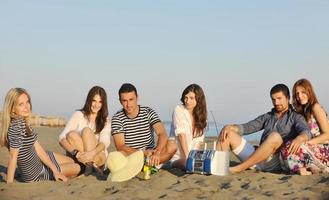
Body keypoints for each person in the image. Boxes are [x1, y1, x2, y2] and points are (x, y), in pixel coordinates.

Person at [217, 83, 312, 174]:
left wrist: (300, 138)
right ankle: (217, 166)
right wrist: (232, 127)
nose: (276, 102)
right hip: (255, 157)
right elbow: (248, 127)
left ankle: (240, 168)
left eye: (279, 98)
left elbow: (306, 131)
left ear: (287, 98)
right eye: (273, 99)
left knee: (275, 136)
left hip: (274, 161)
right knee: (227, 132)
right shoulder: (268, 116)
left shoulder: (295, 117)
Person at [0, 88, 80, 183]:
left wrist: (54, 169)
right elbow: (13, 157)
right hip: (37, 174)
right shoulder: (17, 127)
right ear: (12, 108)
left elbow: (38, 148)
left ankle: (58, 172)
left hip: (39, 160)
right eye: (21, 104)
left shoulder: (23, 122)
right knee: (77, 167)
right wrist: (9, 184)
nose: (26, 107)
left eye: (27, 102)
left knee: (70, 161)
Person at [111, 83, 177, 168]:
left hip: (151, 154)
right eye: (124, 101)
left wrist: (157, 152)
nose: (128, 104)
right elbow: (120, 146)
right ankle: (150, 165)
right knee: (118, 155)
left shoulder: (148, 112)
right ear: (120, 101)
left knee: (172, 145)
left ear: (137, 98)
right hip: (131, 156)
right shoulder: (117, 118)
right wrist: (142, 153)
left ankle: (151, 163)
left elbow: (162, 133)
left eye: (131, 99)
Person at [58, 86, 111, 176]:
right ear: (89, 100)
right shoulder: (79, 115)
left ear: (103, 103)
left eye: (100, 102)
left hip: (98, 157)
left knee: (86, 131)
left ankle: (90, 166)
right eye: (94, 101)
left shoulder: (105, 120)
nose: (96, 105)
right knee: (71, 135)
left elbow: (104, 142)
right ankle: (90, 165)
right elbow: (61, 138)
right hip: (79, 158)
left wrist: (90, 154)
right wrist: (76, 153)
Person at [280, 79, 329, 175]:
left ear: (309, 91)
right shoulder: (301, 111)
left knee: (298, 146)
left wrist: (307, 143)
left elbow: (327, 134)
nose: (300, 96)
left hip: (324, 148)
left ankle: (312, 168)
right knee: (286, 149)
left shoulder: (315, 107)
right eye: (297, 94)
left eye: (303, 92)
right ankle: (301, 170)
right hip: (311, 147)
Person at [169, 84, 207, 169]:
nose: (187, 101)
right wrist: (188, 159)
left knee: (206, 164)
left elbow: (198, 142)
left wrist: (193, 158)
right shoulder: (179, 109)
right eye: (186, 97)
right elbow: (181, 135)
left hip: (191, 156)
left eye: (191, 98)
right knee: (189, 165)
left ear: (199, 99)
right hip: (178, 157)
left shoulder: (202, 118)